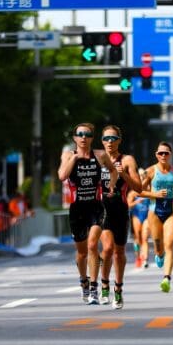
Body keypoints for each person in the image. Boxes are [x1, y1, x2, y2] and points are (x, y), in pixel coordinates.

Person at [57, 123, 117, 305]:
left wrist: (111, 185)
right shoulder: (68, 155)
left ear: (92, 137)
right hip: (77, 209)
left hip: (96, 207)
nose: (84, 137)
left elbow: (113, 171)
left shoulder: (100, 155)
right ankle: (83, 280)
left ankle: (93, 288)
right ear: (74, 138)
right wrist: (74, 160)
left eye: (88, 134)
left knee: (92, 245)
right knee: (82, 253)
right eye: (80, 134)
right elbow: (62, 175)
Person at [96, 125, 142, 309]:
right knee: (107, 248)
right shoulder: (96, 159)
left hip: (121, 209)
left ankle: (119, 288)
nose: (109, 142)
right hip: (101, 209)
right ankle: (105, 284)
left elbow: (138, 187)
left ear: (119, 141)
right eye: (106, 139)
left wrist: (123, 173)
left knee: (119, 252)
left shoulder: (127, 160)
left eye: (113, 138)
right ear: (102, 141)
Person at [141, 141, 173, 293]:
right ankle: (159, 254)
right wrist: (154, 194)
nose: (163, 155)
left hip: (171, 211)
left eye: (166, 153)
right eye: (160, 153)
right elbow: (138, 191)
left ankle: (166, 278)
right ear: (156, 154)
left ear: (170, 154)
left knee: (170, 244)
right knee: (159, 246)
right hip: (154, 212)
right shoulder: (150, 171)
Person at [127, 168, 150, 268]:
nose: (142, 179)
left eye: (143, 177)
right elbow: (128, 205)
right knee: (138, 237)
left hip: (146, 217)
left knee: (145, 238)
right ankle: (138, 257)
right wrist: (137, 202)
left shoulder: (149, 191)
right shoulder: (133, 192)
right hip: (136, 216)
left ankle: (145, 259)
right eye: (140, 177)